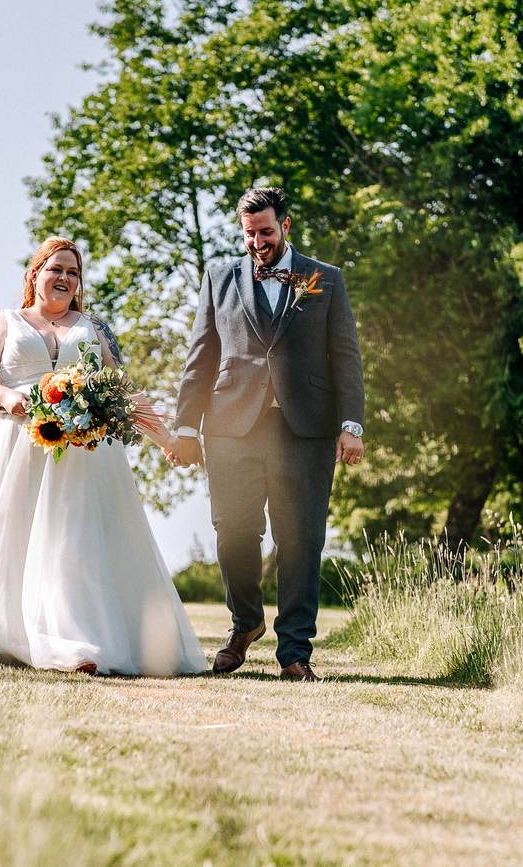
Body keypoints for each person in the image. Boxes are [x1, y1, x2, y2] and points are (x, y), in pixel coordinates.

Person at [0, 236, 208, 677]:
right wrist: (6, 396)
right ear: (34, 274)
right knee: (12, 539)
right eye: (56, 269)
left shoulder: (92, 328)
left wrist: (168, 440)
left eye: (73, 273)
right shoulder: (7, 322)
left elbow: (122, 392)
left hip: (85, 454)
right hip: (17, 445)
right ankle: (13, 636)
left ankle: (76, 642)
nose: (64, 278)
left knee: (74, 545)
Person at [169, 187, 366, 682]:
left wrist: (351, 424)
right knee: (233, 531)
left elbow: (345, 357)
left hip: (306, 429)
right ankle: (246, 623)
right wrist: (185, 425)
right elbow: (202, 355)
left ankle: (295, 652)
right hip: (232, 427)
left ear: (287, 225)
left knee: (301, 538)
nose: (258, 242)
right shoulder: (218, 277)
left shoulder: (324, 279)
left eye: (266, 232)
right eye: (249, 234)